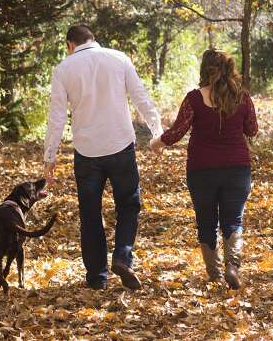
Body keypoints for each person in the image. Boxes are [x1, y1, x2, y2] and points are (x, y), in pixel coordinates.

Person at [44, 25, 163, 290]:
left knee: (90, 213)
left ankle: (97, 277)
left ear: (69, 45)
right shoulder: (118, 58)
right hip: (120, 146)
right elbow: (141, 98)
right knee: (129, 205)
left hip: (87, 153)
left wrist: (50, 155)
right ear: (93, 39)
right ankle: (122, 256)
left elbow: (57, 117)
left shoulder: (64, 69)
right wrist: (158, 132)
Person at [150, 49, 258, 289]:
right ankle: (233, 266)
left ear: (204, 70)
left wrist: (158, 142)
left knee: (206, 221)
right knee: (233, 220)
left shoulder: (194, 98)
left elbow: (178, 131)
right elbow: (252, 130)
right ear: (230, 69)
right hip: (237, 169)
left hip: (202, 170)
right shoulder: (243, 97)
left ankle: (215, 274)